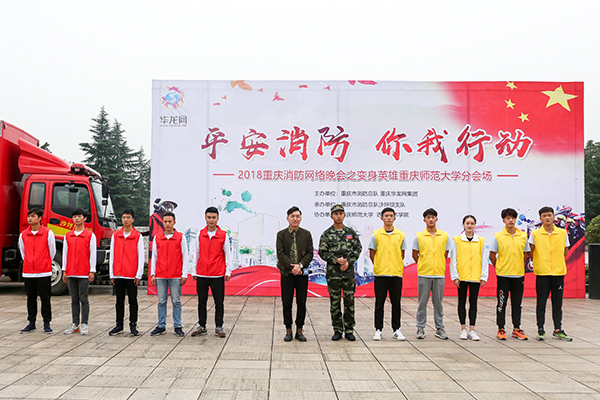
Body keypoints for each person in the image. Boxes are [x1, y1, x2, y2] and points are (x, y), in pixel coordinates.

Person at [319, 204, 362, 341]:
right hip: (334, 275)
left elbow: (358, 249)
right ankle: (337, 329)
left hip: (348, 274)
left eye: (341, 213)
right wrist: (336, 260)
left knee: (349, 302)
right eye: (336, 213)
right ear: (331, 216)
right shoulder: (327, 234)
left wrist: (349, 262)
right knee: (335, 303)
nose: (338, 216)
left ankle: (349, 330)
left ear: (344, 215)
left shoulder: (351, 233)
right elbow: (322, 252)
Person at [529, 206, 572, 341]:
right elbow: (531, 251)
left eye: (549, 215)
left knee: (557, 303)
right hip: (542, 272)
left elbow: (565, 250)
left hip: (558, 272)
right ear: (540, 218)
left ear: (553, 217)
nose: (547, 218)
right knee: (541, 302)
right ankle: (540, 329)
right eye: (544, 216)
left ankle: (558, 329)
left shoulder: (562, 233)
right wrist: (539, 262)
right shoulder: (535, 234)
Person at [191, 206, 232, 338]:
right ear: (205, 218)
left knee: (219, 302)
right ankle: (202, 326)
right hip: (202, 273)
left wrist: (228, 271)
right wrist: (194, 270)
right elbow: (196, 253)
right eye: (209, 217)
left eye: (214, 217)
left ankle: (219, 326)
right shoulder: (200, 234)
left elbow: (228, 254)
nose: (211, 220)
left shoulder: (223, 235)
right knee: (201, 302)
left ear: (218, 218)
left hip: (217, 274)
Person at [489, 208, 530, 340]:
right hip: (503, 276)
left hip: (518, 276)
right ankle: (501, 328)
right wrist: (499, 267)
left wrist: (518, 266)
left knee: (517, 303)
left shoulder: (523, 236)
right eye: (508, 218)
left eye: (513, 218)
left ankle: (516, 328)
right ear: (503, 220)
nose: (511, 220)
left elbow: (525, 254)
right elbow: (492, 255)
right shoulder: (498, 236)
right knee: (502, 303)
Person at [412, 208, 451, 340]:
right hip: (424, 274)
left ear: (436, 219)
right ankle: (420, 327)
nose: (430, 219)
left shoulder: (444, 236)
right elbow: (415, 254)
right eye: (428, 217)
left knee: (438, 303)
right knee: (422, 303)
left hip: (439, 274)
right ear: (424, 220)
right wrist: (424, 264)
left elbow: (446, 253)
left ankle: (440, 328)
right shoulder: (419, 236)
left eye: (433, 217)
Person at [276, 206, 314, 342]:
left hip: (302, 274)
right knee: (287, 303)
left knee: (301, 302)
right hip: (287, 274)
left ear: (301, 218)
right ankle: (288, 329)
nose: (295, 219)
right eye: (292, 216)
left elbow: (310, 253)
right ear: (287, 218)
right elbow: (280, 253)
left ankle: (299, 329)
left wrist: (300, 265)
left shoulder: (306, 234)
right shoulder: (281, 235)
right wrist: (292, 267)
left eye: (297, 216)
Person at [369, 207, 406, 341]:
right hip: (381, 275)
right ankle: (378, 329)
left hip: (396, 274)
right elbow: (372, 254)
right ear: (382, 218)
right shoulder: (376, 234)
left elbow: (402, 254)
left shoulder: (400, 235)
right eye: (386, 216)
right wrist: (380, 265)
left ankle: (396, 329)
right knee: (379, 304)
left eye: (391, 215)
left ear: (394, 218)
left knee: (396, 303)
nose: (389, 218)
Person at [449, 215, 488, 341]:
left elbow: (484, 259)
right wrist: (455, 276)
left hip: (475, 277)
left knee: (473, 303)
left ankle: (472, 329)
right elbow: (453, 259)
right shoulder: (457, 240)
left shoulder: (481, 240)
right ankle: (463, 329)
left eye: (472, 223)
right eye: (467, 223)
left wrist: (483, 276)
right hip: (462, 277)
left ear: (475, 225)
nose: (470, 226)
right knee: (461, 302)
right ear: (463, 224)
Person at [150, 211, 188, 337]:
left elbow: (185, 256)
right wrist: (153, 273)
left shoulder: (180, 237)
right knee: (161, 301)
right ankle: (161, 325)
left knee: (176, 301)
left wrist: (184, 274)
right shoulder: (157, 238)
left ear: (174, 222)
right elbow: (154, 257)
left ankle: (177, 326)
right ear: (162, 222)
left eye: (169, 221)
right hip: (160, 275)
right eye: (165, 221)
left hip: (175, 275)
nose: (167, 224)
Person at [19, 207, 57, 334]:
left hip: (43, 272)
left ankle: (47, 323)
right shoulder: (23, 235)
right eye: (29, 216)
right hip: (28, 272)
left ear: (40, 218)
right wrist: (30, 262)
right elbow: (23, 253)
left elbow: (52, 252)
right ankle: (31, 323)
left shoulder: (48, 233)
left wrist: (44, 262)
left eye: (33, 216)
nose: (30, 218)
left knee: (45, 299)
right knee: (31, 299)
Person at [108, 209, 144, 336]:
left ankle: (133, 324)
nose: (126, 220)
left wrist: (139, 274)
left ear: (133, 219)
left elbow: (141, 256)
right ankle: (119, 325)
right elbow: (112, 254)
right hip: (118, 273)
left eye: (128, 217)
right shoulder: (116, 235)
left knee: (132, 301)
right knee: (119, 301)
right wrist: (112, 273)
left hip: (131, 274)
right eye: (124, 217)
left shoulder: (137, 236)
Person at [62, 208, 96, 335]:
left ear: (85, 218)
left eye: (79, 216)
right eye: (74, 216)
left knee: (84, 298)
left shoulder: (90, 235)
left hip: (83, 272)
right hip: (71, 271)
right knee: (74, 299)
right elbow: (65, 254)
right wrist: (64, 270)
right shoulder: (68, 235)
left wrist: (92, 270)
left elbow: (92, 254)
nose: (76, 218)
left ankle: (84, 324)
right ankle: (75, 323)